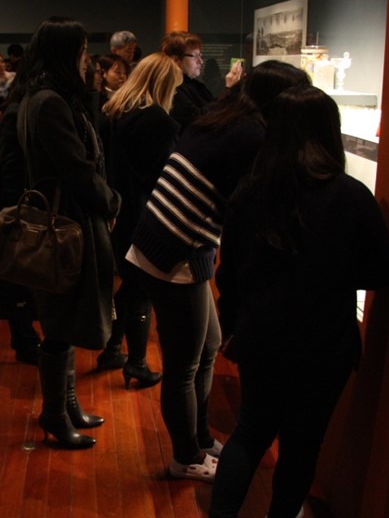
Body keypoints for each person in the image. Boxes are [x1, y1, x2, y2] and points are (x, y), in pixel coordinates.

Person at [208, 85, 389, 517]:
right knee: (302, 445)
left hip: (262, 337)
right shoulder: (351, 195)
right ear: (329, 131)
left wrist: (234, 327)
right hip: (325, 343)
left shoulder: (250, 193)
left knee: (249, 433)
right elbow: (382, 272)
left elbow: (229, 274)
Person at [127, 60, 311, 482]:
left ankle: (200, 440)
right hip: (175, 251)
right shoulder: (253, 136)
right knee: (184, 365)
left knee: (206, 348)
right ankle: (186, 458)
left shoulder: (225, 117)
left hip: (164, 241)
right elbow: (250, 207)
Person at [17, 16, 121, 449]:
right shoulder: (51, 103)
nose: (88, 62)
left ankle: (68, 406)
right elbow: (78, 171)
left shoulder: (43, 97)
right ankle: (55, 414)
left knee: (64, 319)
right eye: (81, 53)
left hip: (64, 223)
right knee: (60, 324)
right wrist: (112, 202)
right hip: (65, 227)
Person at [96, 52, 182, 387]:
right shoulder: (159, 121)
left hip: (115, 212)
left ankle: (112, 350)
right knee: (141, 290)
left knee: (129, 285)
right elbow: (163, 177)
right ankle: (137, 363)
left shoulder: (112, 112)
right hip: (145, 214)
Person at [0, 61, 42, 365]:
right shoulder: (17, 114)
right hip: (19, 207)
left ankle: (24, 336)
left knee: (21, 273)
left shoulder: (17, 110)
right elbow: (11, 169)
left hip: (19, 204)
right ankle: (24, 338)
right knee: (19, 275)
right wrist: (19, 212)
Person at [161, 31, 215, 128]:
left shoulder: (194, 84)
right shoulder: (172, 88)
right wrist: (229, 89)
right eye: (195, 56)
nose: (201, 61)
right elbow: (198, 119)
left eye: (200, 55)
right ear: (175, 60)